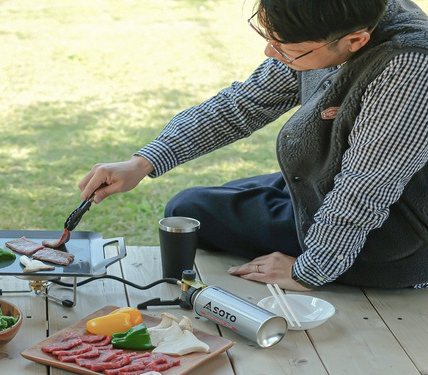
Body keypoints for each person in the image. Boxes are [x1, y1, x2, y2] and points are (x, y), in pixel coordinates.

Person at [78, 0, 428, 291]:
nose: (269, 53)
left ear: (355, 41)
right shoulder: (334, 17)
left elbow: (366, 187)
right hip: (321, 181)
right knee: (187, 209)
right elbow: (240, 106)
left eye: (285, 50)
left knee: (192, 212)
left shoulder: (409, 66)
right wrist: (143, 162)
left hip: (396, 231)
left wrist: (309, 271)